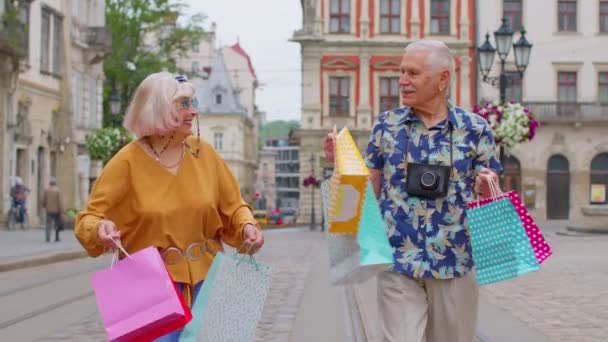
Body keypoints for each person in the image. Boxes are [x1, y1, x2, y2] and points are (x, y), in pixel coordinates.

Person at [323, 40, 502, 342]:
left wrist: (485, 184)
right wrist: (340, 165)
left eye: (413, 73)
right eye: (402, 72)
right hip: (398, 261)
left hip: (455, 262)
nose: (402, 81)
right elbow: (368, 189)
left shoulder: (476, 129)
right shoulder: (386, 126)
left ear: (443, 79)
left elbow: (490, 190)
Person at [74, 72, 264, 341]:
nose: (194, 111)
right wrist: (100, 229)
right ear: (159, 109)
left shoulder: (205, 154)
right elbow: (89, 218)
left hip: (211, 278)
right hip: (149, 285)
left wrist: (247, 226)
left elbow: (234, 206)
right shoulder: (127, 162)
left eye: (193, 103)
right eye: (184, 104)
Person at [42, 177, 64, 242]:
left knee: (48, 224)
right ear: (55, 183)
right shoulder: (58, 191)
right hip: (57, 210)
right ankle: (57, 237)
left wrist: (44, 206)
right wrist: (62, 210)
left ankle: (47, 237)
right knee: (57, 224)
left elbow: (44, 200)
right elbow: (60, 202)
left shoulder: (46, 190)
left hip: (48, 210)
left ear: (50, 183)